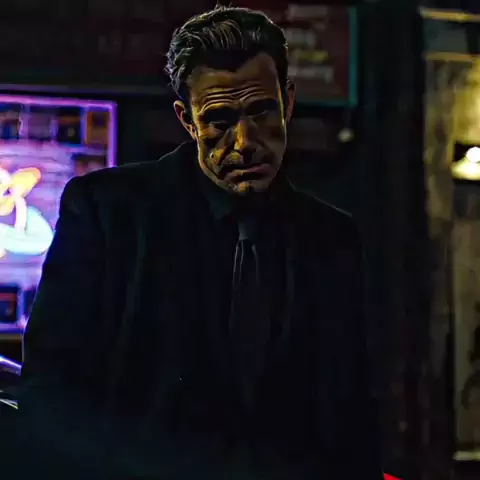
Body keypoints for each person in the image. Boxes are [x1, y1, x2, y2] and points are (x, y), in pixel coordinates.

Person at [16, 6, 383, 479]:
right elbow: (51, 394)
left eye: (262, 111)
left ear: (288, 102)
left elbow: (350, 415)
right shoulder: (110, 214)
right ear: (187, 121)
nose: (245, 141)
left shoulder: (332, 238)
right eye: (220, 120)